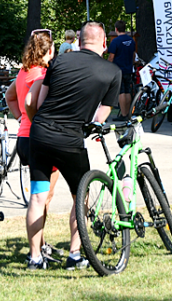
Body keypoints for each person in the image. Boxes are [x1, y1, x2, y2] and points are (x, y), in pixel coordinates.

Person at [24, 21, 120, 271]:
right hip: (70, 141)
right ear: (103, 43)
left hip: (40, 134)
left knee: (37, 196)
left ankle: (35, 258)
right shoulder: (112, 72)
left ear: (79, 41)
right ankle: (74, 254)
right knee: (82, 196)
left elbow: (39, 102)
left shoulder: (58, 61)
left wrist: (41, 127)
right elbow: (100, 118)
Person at [5, 29, 61, 260]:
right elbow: (37, 104)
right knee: (44, 198)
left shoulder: (23, 73)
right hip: (41, 138)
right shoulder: (43, 76)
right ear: (50, 51)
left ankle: (41, 245)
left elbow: (10, 97)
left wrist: (20, 118)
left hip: (23, 138)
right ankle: (39, 248)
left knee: (40, 195)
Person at [107, 20, 136, 119]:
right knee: (127, 91)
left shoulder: (115, 41)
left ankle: (123, 114)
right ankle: (128, 113)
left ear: (116, 29)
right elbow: (133, 55)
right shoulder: (131, 40)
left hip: (118, 69)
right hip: (128, 68)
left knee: (121, 92)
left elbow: (111, 57)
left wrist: (107, 66)